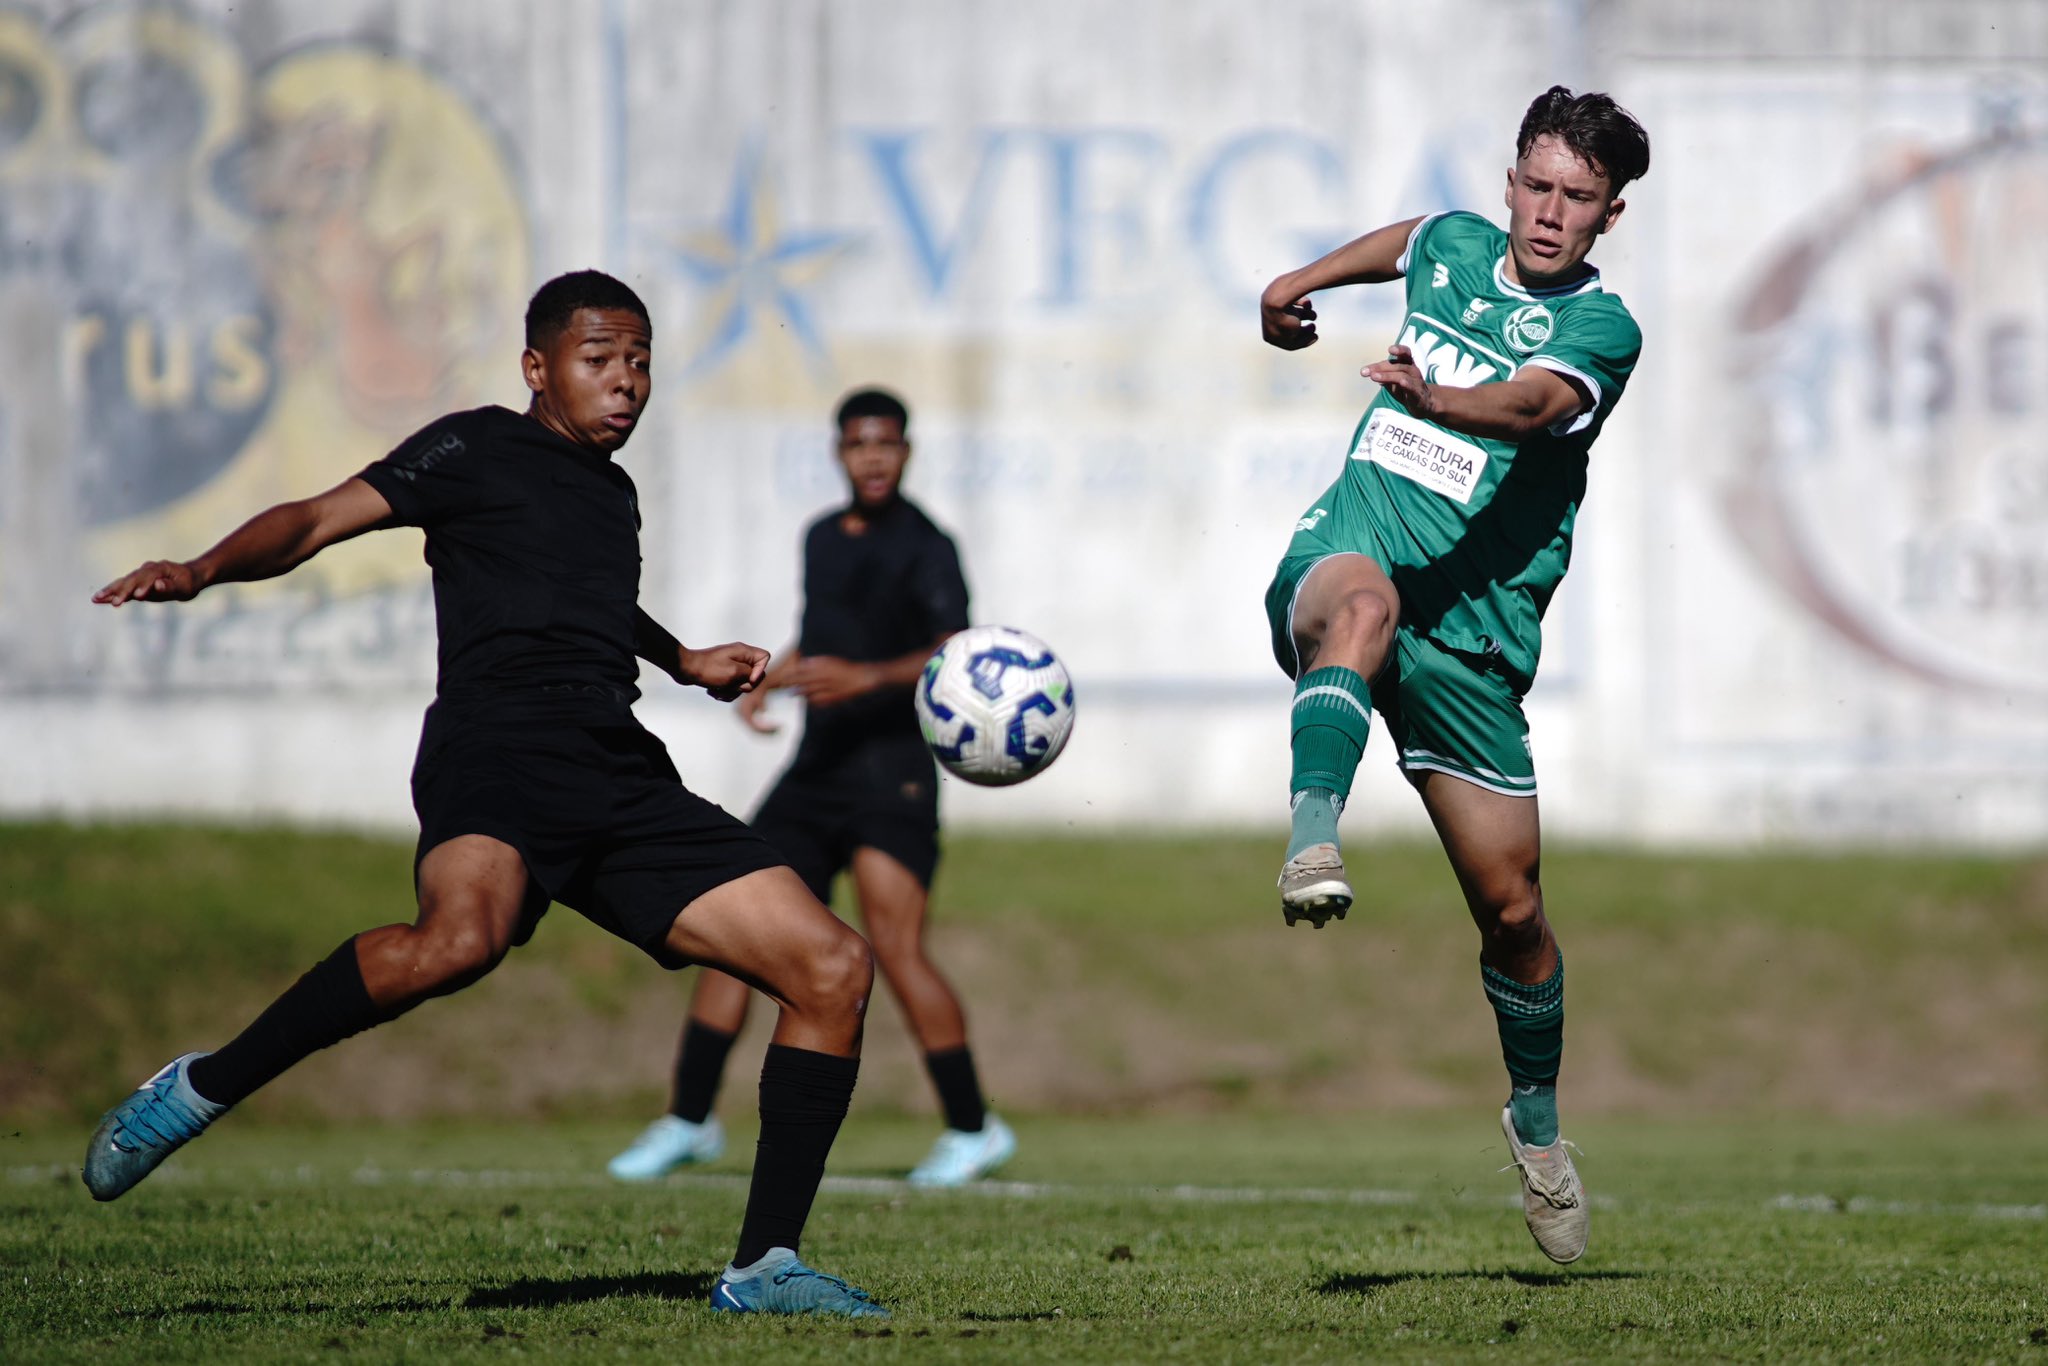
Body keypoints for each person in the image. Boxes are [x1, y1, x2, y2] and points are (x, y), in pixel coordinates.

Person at [82, 271, 889, 1318]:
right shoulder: (472, 447)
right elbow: (317, 519)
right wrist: (201, 569)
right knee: (459, 942)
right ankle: (202, 1085)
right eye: (600, 359)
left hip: (614, 766)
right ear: (536, 368)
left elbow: (586, 602)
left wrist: (682, 659)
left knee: (831, 966)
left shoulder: (612, 492)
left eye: (640, 361)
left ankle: (764, 1267)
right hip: (497, 744)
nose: (627, 381)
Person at [1257, 87, 1648, 1264]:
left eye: (1576, 198)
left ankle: (1534, 1121)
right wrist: (1294, 285)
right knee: (1359, 606)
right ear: (1510, 181)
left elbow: (1529, 407)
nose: (1548, 213)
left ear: (1609, 214)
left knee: (1514, 914)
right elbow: (1411, 241)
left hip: (1471, 640)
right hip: (1354, 554)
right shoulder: (1460, 245)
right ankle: (1311, 834)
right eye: (1536, 186)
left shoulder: (1601, 330)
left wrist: (1442, 399)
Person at [608, 388, 1016, 1189]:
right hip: (815, 771)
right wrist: (776, 676)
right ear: (839, 452)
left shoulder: (927, 545)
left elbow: (955, 650)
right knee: (735, 935)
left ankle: (973, 1129)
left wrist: (867, 677)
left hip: (892, 772)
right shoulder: (822, 537)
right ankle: (689, 1119)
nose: (873, 457)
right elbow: (825, 634)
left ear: (907, 452)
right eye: (859, 444)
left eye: (887, 443)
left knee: (895, 946)